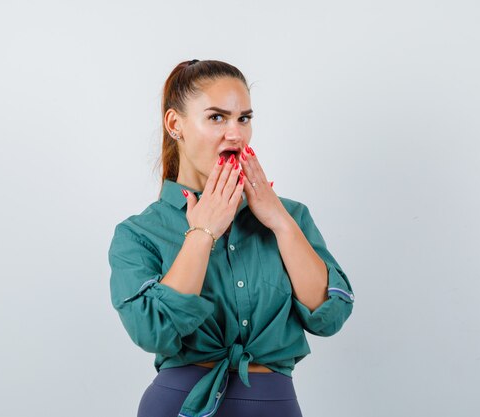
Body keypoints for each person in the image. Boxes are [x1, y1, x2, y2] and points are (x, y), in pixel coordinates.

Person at [108, 59, 355, 417]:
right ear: (175, 124)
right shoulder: (139, 233)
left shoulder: (290, 217)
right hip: (177, 405)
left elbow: (329, 318)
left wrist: (281, 224)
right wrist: (202, 234)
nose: (236, 134)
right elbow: (152, 332)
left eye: (244, 118)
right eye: (216, 118)